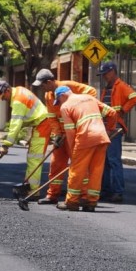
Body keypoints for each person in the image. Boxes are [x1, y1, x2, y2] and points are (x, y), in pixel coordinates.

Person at [31, 68, 97, 204]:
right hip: (62, 135)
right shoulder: (48, 96)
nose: (42, 88)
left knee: (78, 165)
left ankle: (83, 196)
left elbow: (92, 92)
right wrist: (57, 135)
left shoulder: (68, 86)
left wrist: (79, 106)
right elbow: (52, 117)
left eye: (43, 85)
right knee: (56, 164)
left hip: (75, 133)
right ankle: (52, 194)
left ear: (49, 82)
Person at [54, 86, 117, 212]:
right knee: (96, 171)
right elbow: (112, 113)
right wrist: (109, 130)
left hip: (85, 138)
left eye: (59, 100)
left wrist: (72, 152)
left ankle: (72, 202)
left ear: (62, 96)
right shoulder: (89, 98)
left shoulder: (65, 107)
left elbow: (71, 132)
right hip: (101, 137)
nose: (59, 103)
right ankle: (91, 202)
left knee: (76, 170)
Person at [0, 81, 51, 193]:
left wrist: (6, 145)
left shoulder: (18, 101)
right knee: (32, 156)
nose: (2, 99)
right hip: (39, 124)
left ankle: (33, 191)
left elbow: (16, 123)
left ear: (8, 90)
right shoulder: (19, 90)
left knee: (34, 158)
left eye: (3, 96)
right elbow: (23, 121)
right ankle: (28, 186)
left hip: (42, 125)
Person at [97, 61, 136, 203]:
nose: (104, 77)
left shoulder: (120, 86)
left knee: (113, 160)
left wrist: (123, 110)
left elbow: (135, 97)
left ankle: (118, 191)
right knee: (105, 162)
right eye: (102, 74)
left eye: (105, 74)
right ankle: (105, 190)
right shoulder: (106, 89)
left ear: (113, 71)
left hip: (115, 128)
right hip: (105, 128)